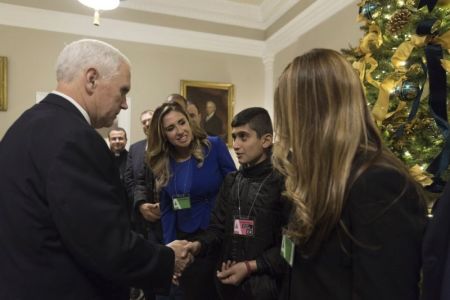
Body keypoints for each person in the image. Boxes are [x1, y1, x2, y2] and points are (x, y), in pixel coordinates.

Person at [0, 39, 191, 300]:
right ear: (91, 79)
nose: (124, 104)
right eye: (122, 91)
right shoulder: (76, 138)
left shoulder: (22, 127)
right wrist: (167, 259)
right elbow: (104, 244)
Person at [271, 49, 426, 300]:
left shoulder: (378, 183)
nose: (286, 129)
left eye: (289, 115)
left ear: (313, 115)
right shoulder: (316, 179)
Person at [187, 107, 289, 300]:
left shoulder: (283, 183)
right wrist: (198, 245)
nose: (236, 145)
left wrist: (251, 266)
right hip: (228, 286)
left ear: (266, 140)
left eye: (244, 137)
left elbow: (290, 246)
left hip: (269, 289)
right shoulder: (231, 181)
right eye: (234, 137)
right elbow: (217, 229)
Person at [144, 102, 236, 299]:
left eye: (182, 122)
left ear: (189, 121)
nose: (180, 131)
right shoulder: (162, 162)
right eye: (171, 128)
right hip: (188, 239)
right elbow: (168, 210)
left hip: (220, 234)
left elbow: (234, 186)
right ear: (163, 136)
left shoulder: (214, 146)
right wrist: (171, 253)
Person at [123, 110, 154, 300]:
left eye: (150, 120)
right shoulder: (135, 149)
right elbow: (129, 179)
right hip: (139, 216)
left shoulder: (167, 145)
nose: (147, 124)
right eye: (143, 121)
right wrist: (140, 204)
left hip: (162, 214)